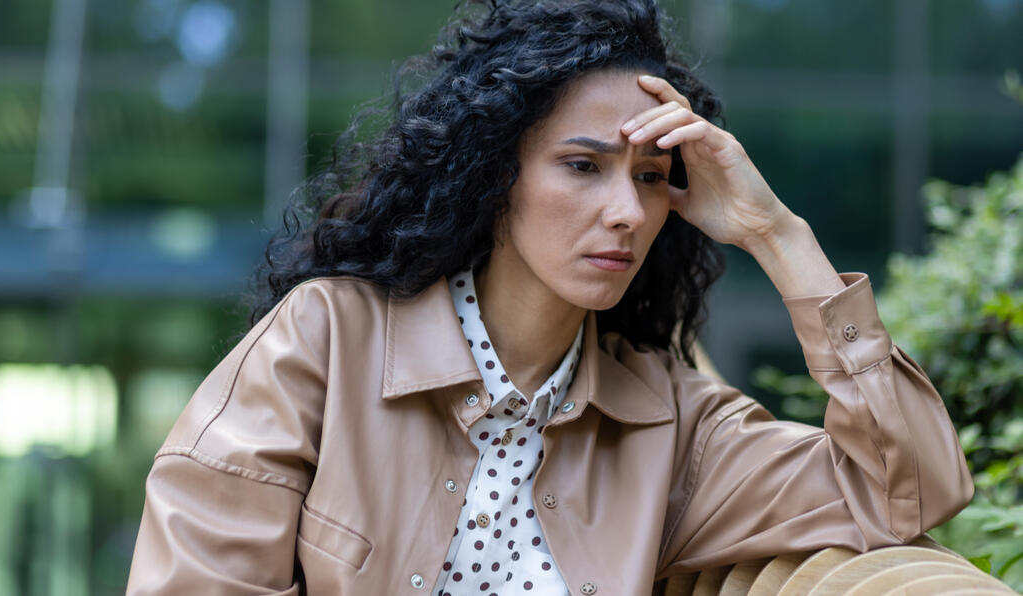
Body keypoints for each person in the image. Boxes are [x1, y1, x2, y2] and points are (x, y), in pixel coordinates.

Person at [126, 1, 973, 594]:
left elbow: (906, 491)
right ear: (496, 174)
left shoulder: (669, 423)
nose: (626, 211)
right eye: (582, 165)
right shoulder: (328, 341)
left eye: (650, 178)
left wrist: (776, 235)